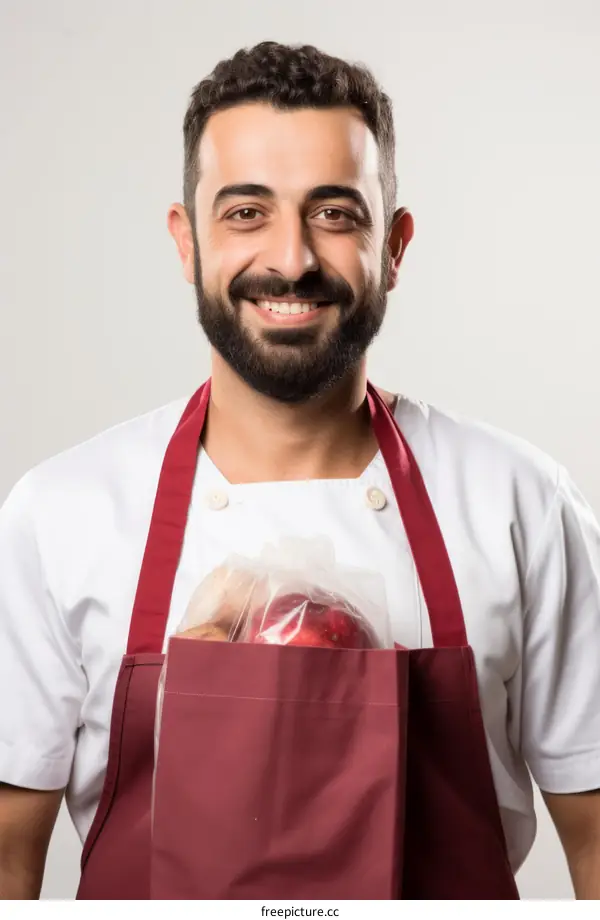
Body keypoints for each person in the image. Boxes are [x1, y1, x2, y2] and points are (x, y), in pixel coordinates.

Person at [1, 40, 599, 900]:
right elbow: (6, 862)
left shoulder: (518, 503)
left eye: (335, 213)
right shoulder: (61, 516)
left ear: (394, 245)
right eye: (246, 212)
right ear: (186, 240)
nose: (291, 259)